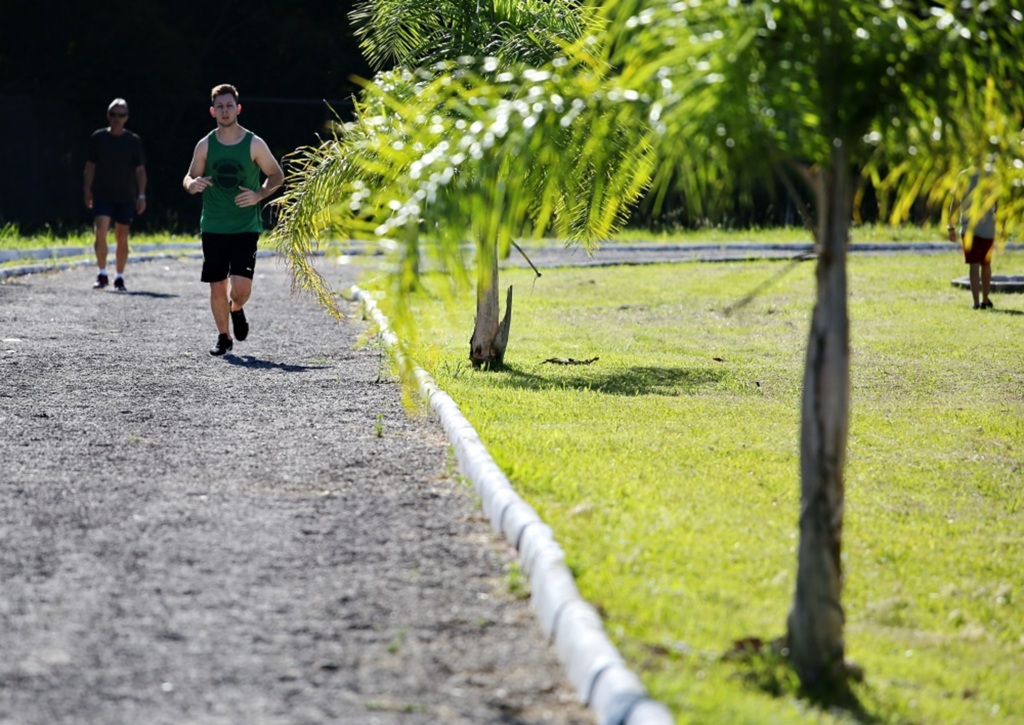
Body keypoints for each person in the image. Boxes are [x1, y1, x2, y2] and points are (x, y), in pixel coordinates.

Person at [182, 83, 284, 356]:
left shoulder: (254, 143)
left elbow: (277, 176)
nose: (225, 111)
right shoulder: (205, 144)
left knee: (239, 288)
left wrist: (258, 195)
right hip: (213, 225)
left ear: (237, 109)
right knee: (217, 284)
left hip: (244, 226)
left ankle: (236, 308)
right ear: (212, 111)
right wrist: (192, 185)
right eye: (220, 106)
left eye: (229, 106)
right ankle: (223, 337)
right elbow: (189, 176)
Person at [84, 98, 147, 291]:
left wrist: (141, 195)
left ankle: (119, 276)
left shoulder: (132, 141)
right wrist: (87, 190)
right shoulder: (98, 138)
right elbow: (90, 166)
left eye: (121, 115)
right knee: (101, 229)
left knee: (122, 235)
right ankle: (102, 274)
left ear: (126, 118)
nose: (116, 119)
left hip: (126, 195)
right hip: (102, 193)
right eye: (113, 114)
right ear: (108, 116)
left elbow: (140, 170)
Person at [948, 165, 998, 310]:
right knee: (986, 264)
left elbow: (955, 202)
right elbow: (997, 201)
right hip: (987, 226)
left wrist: (951, 226)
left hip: (968, 227)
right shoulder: (992, 173)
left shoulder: (963, 175)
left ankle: (976, 302)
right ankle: (985, 299)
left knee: (974, 265)